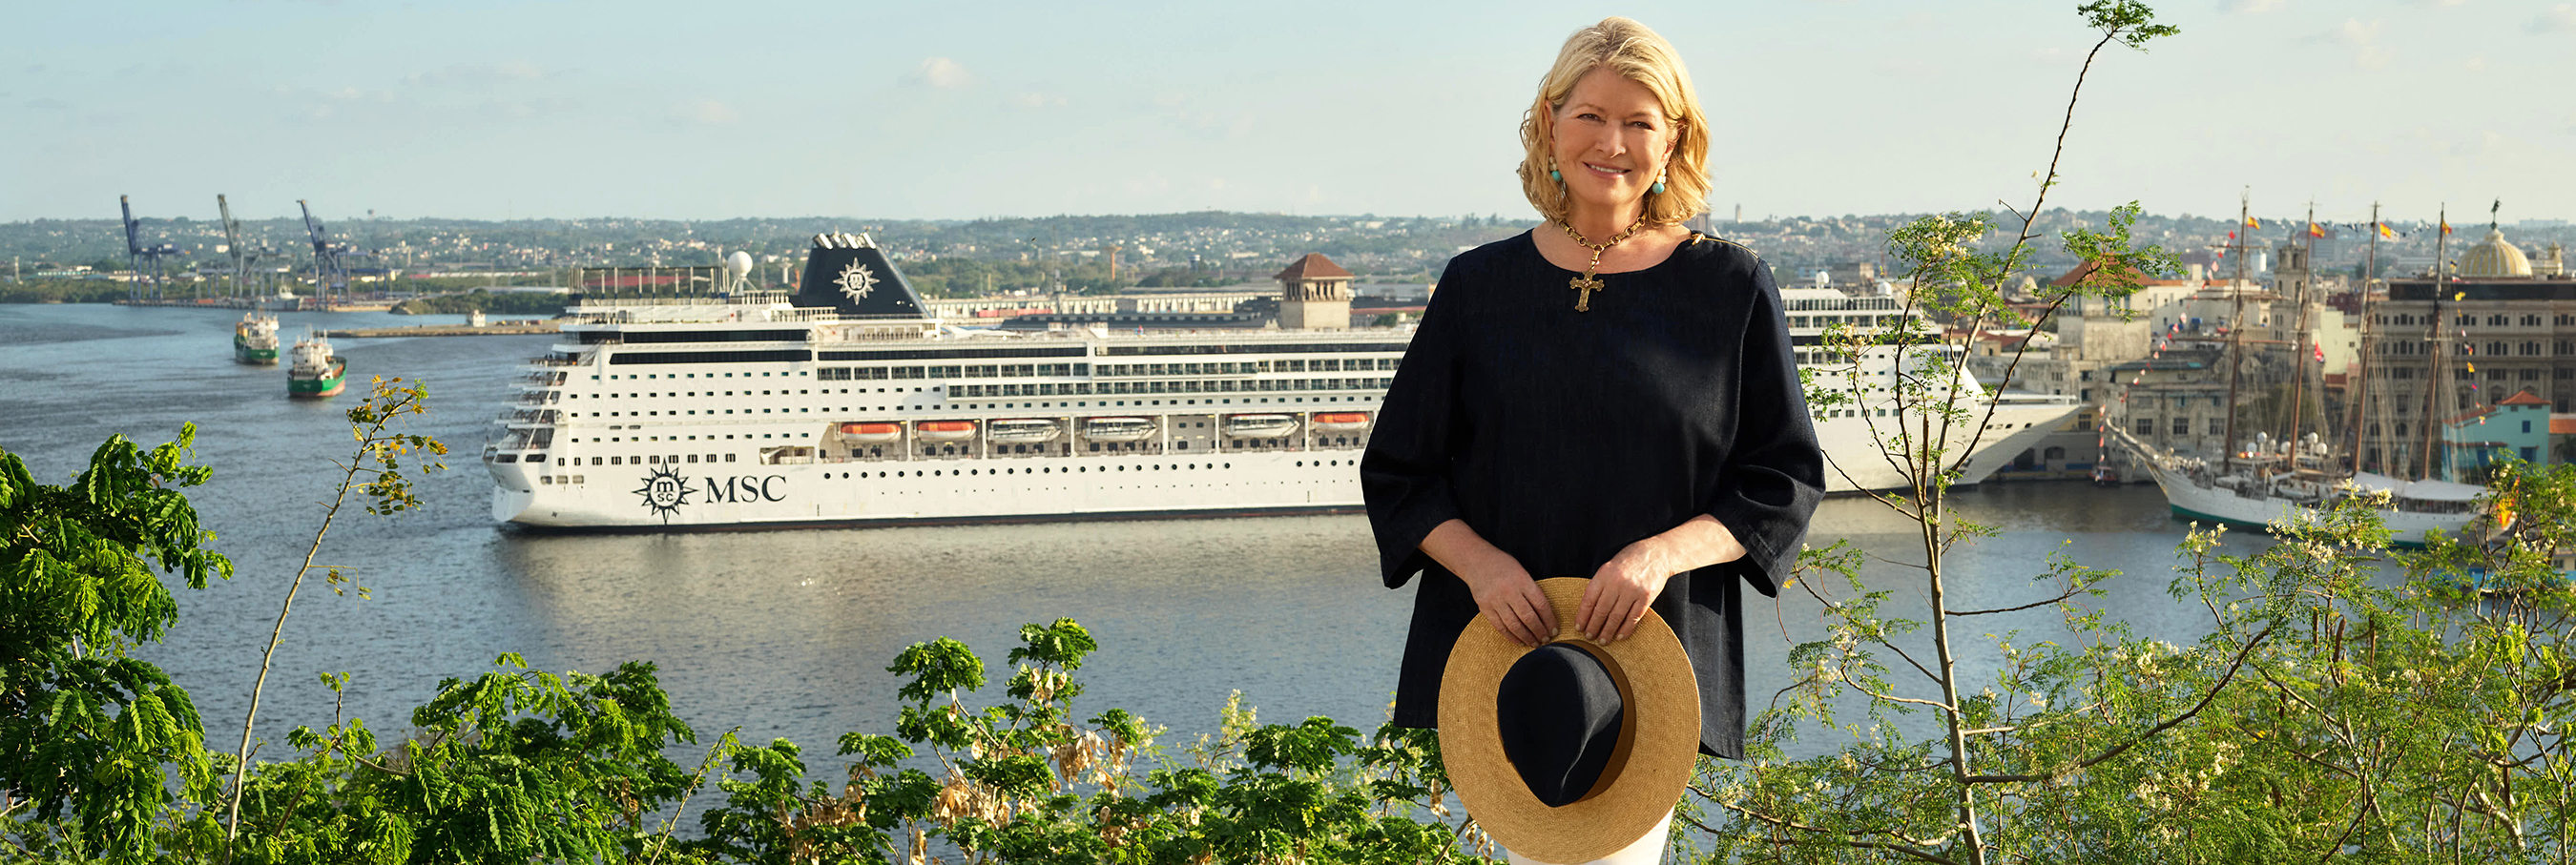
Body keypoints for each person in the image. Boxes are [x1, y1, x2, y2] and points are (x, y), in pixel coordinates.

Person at [1360, 16, 1823, 864]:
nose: (1612, 142)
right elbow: (1399, 473)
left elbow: (1782, 479)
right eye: (1590, 115)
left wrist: (1659, 556)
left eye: (1640, 122)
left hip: (1649, 662)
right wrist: (1484, 566)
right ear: (1547, 120)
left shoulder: (1729, 286)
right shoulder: (1478, 285)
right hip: (1508, 659)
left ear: (1675, 139)